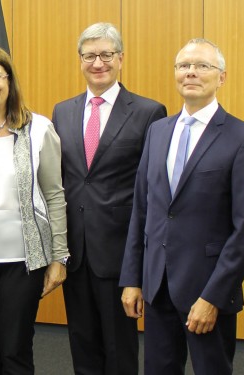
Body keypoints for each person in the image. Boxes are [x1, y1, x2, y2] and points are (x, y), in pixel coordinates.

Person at [119, 39, 244, 374]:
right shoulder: (157, 131)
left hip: (207, 291)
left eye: (202, 66)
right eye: (183, 66)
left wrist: (213, 297)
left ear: (222, 77)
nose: (191, 73)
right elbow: (142, 209)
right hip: (157, 288)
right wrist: (133, 278)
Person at [52, 23, 167, 374]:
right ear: (80, 60)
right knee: (82, 346)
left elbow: (151, 189)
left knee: (119, 352)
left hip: (119, 254)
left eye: (105, 55)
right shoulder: (63, 111)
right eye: (89, 56)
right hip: (76, 252)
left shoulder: (149, 113)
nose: (97, 63)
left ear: (120, 59)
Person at [0, 43, 69, 374]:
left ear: (9, 80)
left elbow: (55, 195)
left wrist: (59, 258)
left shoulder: (39, 129)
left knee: (16, 347)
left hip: (24, 260)